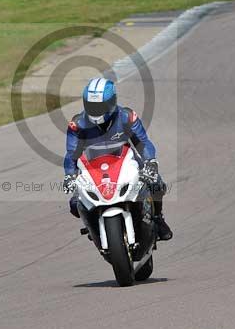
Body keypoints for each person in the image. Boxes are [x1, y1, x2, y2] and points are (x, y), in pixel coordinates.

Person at [63, 77, 172, 241]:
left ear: (111, 102)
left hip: (126, 162)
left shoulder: (126, 117)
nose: (96, 110)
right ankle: (93, 228)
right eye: (92, 106)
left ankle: (158, 219)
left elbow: (142, 142)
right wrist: (69, 175)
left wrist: (151, 162)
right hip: (94, 169)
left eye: (99, 106)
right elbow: (71, 153)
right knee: (74, 204)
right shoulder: (77, 124)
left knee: (156, 184)